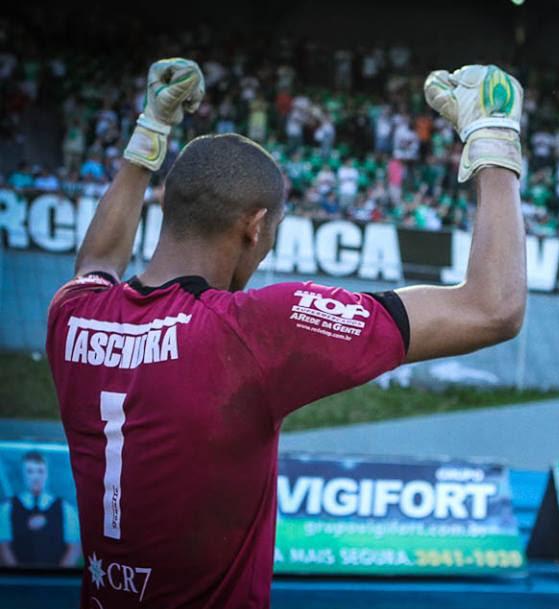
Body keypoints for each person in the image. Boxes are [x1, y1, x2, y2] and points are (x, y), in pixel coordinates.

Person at [46, 59, 526, 608]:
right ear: (254, 226)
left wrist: (148, 133)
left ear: (165, 206)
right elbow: (494, 307)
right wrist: (495, 143)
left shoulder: (73, 316)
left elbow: (98, 259)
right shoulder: (250, 331)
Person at [0, 451, 81, 567]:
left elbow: (74, 548)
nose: (36, 477)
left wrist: (56, 576)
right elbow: (3, 547)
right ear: (23, 474)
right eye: (30, 471)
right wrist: (20, 576)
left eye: (40, 471)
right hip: (18, 580)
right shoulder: (6, 508)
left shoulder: (66, 509)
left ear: (47, 474)